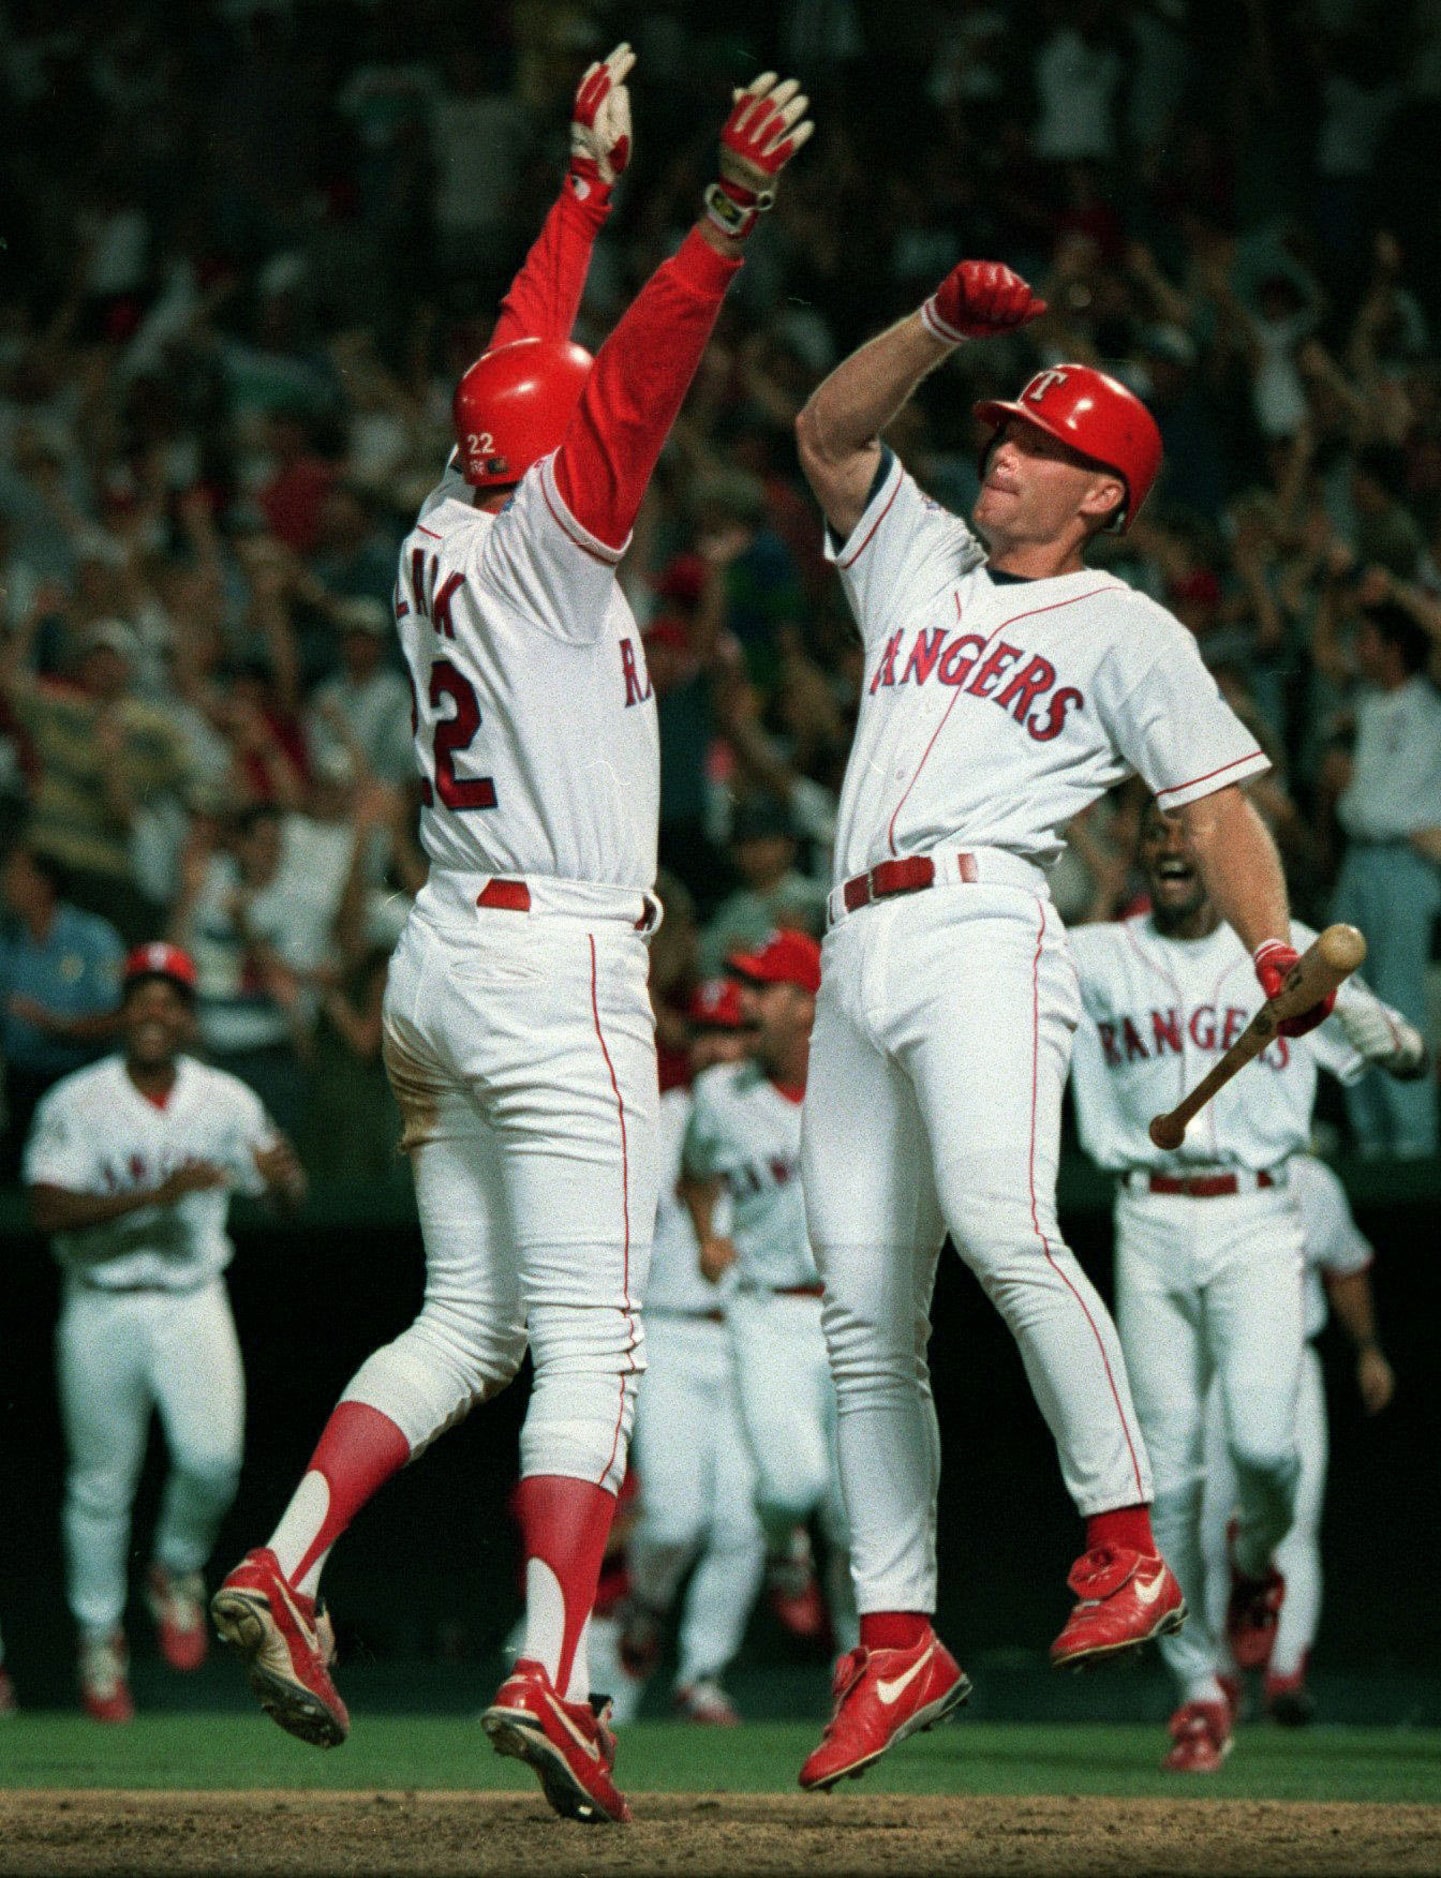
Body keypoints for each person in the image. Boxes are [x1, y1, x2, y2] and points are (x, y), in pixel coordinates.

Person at [210, 50, 813, 1827]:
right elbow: (629, 378)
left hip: (435, 965)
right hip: (553, 971)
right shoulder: (553, 541)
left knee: (471, 1312)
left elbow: (527, 354)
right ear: (551, 457)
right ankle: (551, 1663)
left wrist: (575, 191)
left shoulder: (443, 517)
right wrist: (719, 217)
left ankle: (290, 1554)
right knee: (596, 1345)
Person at [790, 259, 1334, 1793]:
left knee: (1003, 1225)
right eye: (1000, 431)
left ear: (1104, 491)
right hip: (856, 945)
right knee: (861, 1313)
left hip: (978, 919)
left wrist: (1272, 938)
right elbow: (829, 437)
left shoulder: (1126, 625)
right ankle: (895, 1634)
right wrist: (936, 325)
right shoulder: (924, 564)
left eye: (1032, 441)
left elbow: (1211, 805)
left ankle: (1126, 1540)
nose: (999, 452)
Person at [1067, 799, 1424, 1772]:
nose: (1174, 844)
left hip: (1262, 1218)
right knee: (1169, 1467)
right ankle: (1197, 1687)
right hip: (1146, 1214)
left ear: (1235, 859)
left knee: (1265, 1449)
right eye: (1159, 830)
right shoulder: (1091, 956)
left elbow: (1408, 1051)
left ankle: (1257, 1564)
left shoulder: (1290, 951)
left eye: (1194, 831)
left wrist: (1364, 1023)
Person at [23, 942, 305, 1723]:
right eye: (142, 997)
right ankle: (97, 1643)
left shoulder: (225, 1099)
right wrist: (157, 1194)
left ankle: (175, 1568)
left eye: (169, 999)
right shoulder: (78, 1101)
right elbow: (47, 1208)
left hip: (189, 1297)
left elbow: (283, 1192)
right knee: (100, 1485)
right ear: (123, 1012)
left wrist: (286, 1184)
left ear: (187, 1017)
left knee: (213, 1460)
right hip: (101, 1300)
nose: (155, 1011)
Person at [681, 932, 858, 1666]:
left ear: (806, 1005)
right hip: (768, 1311)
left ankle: (865, 1667)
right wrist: (705, 1233)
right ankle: (785, 1544)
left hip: (853, 1313)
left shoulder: (860, 1086)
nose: (745, 1003)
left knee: (857, 1517)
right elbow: (695, 1174)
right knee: (790, 1483)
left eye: (762, 989)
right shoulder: (721, 1095)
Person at [1199, 1154, 1395, 1729]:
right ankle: (1219, 1682)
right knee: (1211, 1528)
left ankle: (1287, 1678)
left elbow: (1346, 1265)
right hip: (1209, 1364)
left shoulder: (1310, 1178)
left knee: (1298, 1522)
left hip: (1291, 1360)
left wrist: (1367, 1349)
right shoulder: (1189, 1171)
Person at [622, 976, 767, 1726]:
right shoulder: (659, 1119)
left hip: (752, 1332)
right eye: (707, 1031)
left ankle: (700, 1672)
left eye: (734, 1031)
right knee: (675, 1517)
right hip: (673, 1330)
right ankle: (645, 1600)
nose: (719, 1046)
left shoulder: (775, 1113)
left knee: (743, 1522)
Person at [1328, 601, 1441, 1159]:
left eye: (1368, 638)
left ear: (1395, 648)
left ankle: (1414, 1141)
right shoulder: (1366, 705)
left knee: (1399, 1000)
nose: (1359, 648)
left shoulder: (1432, 709)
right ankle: (1371, 1139)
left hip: (1406, 861)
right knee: (1347, 998)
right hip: (1359, 859)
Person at [0, 840, 124, 1178]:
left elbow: (118, 1017)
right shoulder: (8, 942)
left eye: (15, 875)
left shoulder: (92, 939)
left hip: (80, 1077)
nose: (6, 883)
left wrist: (55, 1025)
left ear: (43, 885)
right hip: (22, 1081)